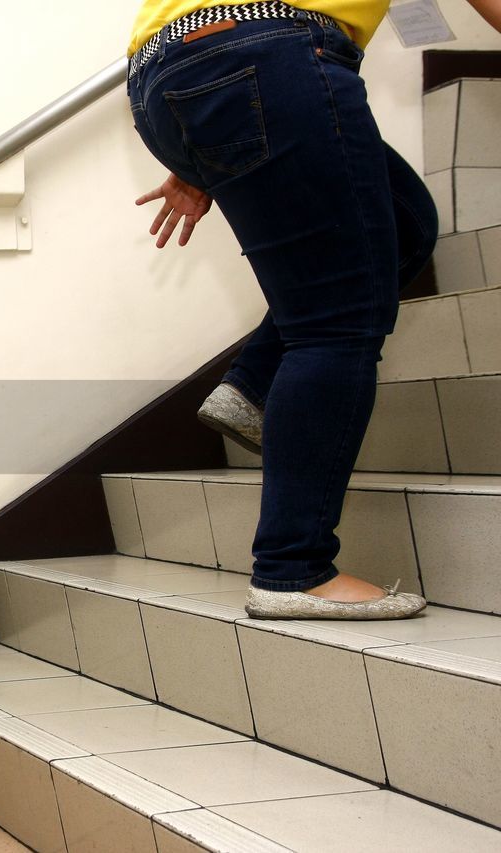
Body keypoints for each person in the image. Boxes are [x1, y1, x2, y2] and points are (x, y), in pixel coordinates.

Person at [128, 0, 501, 618]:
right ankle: (291, 568)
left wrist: (201, 124)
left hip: (167, 71)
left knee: (405, 225)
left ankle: (250, 384)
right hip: (262, 53)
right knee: (336, 324)